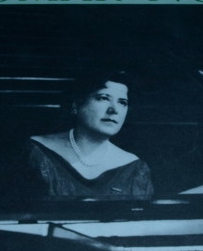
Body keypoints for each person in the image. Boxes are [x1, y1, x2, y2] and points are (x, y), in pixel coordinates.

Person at [13, 69, 154, 200]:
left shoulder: (135, 168)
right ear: (76, 104)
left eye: (122, 102)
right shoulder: (37, 152)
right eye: (103, 98)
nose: (114, 110)